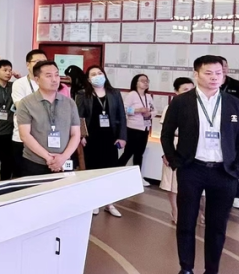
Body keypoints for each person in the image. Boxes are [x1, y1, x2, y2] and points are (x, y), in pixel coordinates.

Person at [162, 55, 239, 274]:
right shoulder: (182, 102)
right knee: (186, 222)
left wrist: (236, 169)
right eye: (208, 73)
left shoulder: (234, 104)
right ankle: (186, 270)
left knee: (217, 225)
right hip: (192, 169)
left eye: (218, 73)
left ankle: (212, 273)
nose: (214, 78)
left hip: (224, 172)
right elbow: (166, 134)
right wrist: (176, 161)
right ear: (196, 74)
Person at [74, 66, 127, 217]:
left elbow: (122, 116)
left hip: (111, 138)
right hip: (91, 138)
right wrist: (81, 136)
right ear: (88, 79)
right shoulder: (82, 94)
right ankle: (94, 202)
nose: (97, 76)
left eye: (100, 73)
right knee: (92, 171)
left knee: (109, 171)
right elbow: (79, 117)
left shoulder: (114, 93)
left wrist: (122, 137)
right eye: (93, 74)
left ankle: (109, 203)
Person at [15, 60, 81, 176]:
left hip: (64, 161)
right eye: (48, 76)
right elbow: (25, 135)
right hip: (35, 162)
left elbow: (76, 134)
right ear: (37, 80)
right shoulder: (26, 103)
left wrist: (63, 157)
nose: (54, 79)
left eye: (57, 75)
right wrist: (49, 158)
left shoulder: (69, 103)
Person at [161, 77, 196, 224]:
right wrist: (167, 153)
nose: (189, 93)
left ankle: (198, 212)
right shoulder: (171, 107)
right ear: (176, 92)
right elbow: (166, 133)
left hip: (193, 149)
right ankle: (175, 211)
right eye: (185, 90)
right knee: (173, 184)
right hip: (175, 147)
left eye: (192, 89)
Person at [219, 57, 239, 211]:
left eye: (225, 65)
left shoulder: (236, 85)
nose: (223, 68)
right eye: (220, 66)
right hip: (212, 129)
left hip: (232, 128)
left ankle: (236, 195)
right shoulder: (209, 85)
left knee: (232, 161)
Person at [11, 50, 49, 170]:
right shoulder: (19, 84)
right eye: (37, 61)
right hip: (22, 138)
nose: (41, 64)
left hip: (45, 137)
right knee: (23, 174)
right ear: (28, 65)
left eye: (44, 61)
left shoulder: (48, 83)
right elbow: (21, 108)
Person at [120, 73, 156, 187]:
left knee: (139, 154)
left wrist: (149, 114)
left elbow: (154, 111)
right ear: (136, 83)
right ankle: (115, 173)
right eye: (142, 80)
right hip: (133, 128)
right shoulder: (132, 95)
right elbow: (124, 109)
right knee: (128, 153)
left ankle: (138, 176)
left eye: (147, 81)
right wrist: (137, 110)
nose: (145, 82)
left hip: (145, 128)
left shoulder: (148, 96)